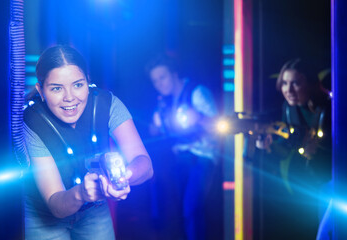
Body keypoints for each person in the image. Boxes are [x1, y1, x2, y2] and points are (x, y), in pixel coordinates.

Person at [23, 45, 153, 240]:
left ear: (88, 81)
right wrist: (83, 193)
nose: (69, 97)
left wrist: (124, 177)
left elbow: (144, 163)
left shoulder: (108, 103)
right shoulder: (31, 121)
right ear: (40, 90)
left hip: (94, 209)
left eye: (77, 84)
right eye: (57, 88)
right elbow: (56, 205)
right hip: (45, 215)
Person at [146, 55, 220, 240]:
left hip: (202, 157)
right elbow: (157, 131)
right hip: (180, 160)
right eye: (155, 81)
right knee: (182, 212)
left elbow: (220, 125)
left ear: (174, 73)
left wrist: (200, 118)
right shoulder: (165, 101)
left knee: (191, 209)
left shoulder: (196, 92)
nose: (159, 84)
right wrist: (156, 125)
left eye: (162, 77)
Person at [256, 58, 332, 240]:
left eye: (296, 83)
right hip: (319, 182)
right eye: (284, 83)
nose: (288, 90)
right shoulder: (290, 109)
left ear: (312, 84)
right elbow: (288, 148)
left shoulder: (330, 108)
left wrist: (320, 147)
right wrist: (268, 146)